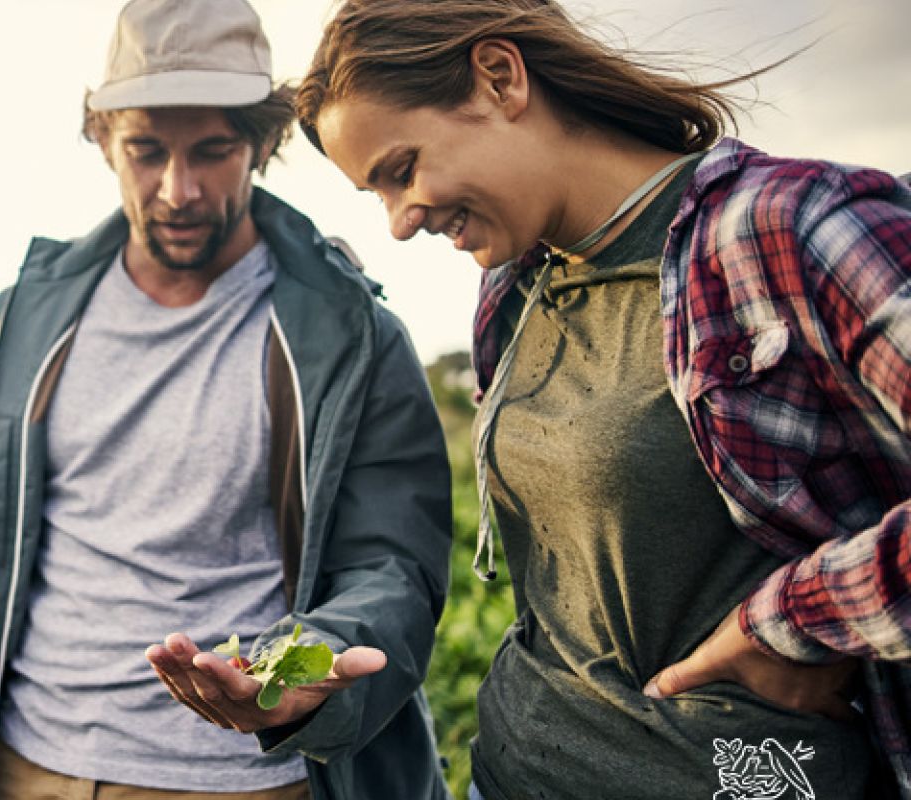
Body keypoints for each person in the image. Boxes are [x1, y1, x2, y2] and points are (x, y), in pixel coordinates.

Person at [283, 0, 911, 797]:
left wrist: (794, 623)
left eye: (401, 170)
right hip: (511, 771)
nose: (401, 222)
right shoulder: (511, 290)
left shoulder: (792, 228)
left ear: (500, 77)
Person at [0, 0, 454, 797]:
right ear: (102, 139)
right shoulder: (20, 320)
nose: (178, 189)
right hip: (19, 768)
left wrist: (311, 663)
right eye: (146, 151)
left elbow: (393, 566)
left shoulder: (353, 336)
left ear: (265, 142)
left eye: (213, 151)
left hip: (241, 781)